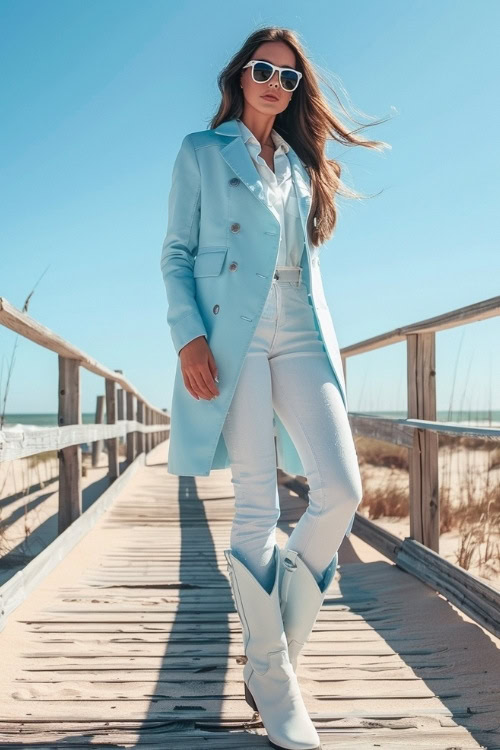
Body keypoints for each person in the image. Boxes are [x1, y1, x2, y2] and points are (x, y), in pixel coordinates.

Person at [160, 26, 389, 750]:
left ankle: (271, 659)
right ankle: (275, 675)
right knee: (257, 501)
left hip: (299, 329)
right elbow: (176, 253)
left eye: (289, 78)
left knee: (342, 490)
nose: (275, 83)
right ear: (240, 75)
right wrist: (189, 337)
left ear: (296, 93)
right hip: (231, 332)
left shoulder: (297, 162)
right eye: (264, 69)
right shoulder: (203, 150)